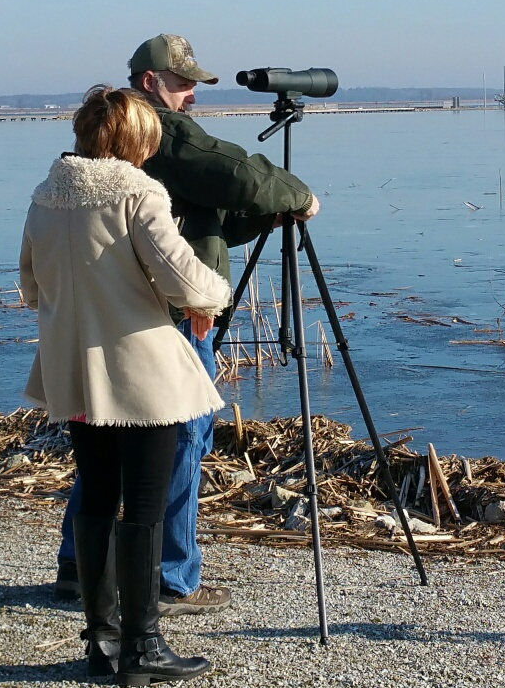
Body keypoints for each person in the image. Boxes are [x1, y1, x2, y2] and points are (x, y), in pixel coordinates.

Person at [55, 33, 318, 611]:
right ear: (150, 82)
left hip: (109, 319)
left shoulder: (89, 158)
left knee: (103, 449)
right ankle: (168, 579)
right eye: (183, 82)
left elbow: (207, 217)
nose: (192, 93)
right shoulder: (157, 133)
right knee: (177, 441)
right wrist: (295, 194)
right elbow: (233, 176)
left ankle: (83, 568)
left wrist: (260, 218)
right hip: (169, 318)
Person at [19, 86, 232, 685]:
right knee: (142, 504)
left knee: (93, 494)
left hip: (74, 372)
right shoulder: (138, 194)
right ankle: (143, 646)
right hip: (142, 374)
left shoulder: (45, 198)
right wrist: (214, 295)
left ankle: (103, 641)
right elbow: (180, 274)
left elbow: (32, 285)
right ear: (134, 138)